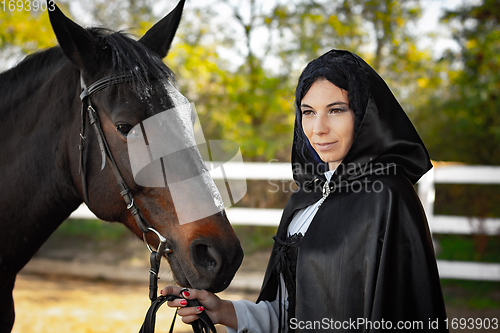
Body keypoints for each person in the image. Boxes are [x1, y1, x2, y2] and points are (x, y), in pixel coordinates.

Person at [162, 49, 449, 332]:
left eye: (336, 110)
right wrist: (225, 311)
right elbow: (292, 313)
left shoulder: (387, 197)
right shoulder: (305, 200)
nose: (318, 128)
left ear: (364, 115)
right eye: (308, 112)